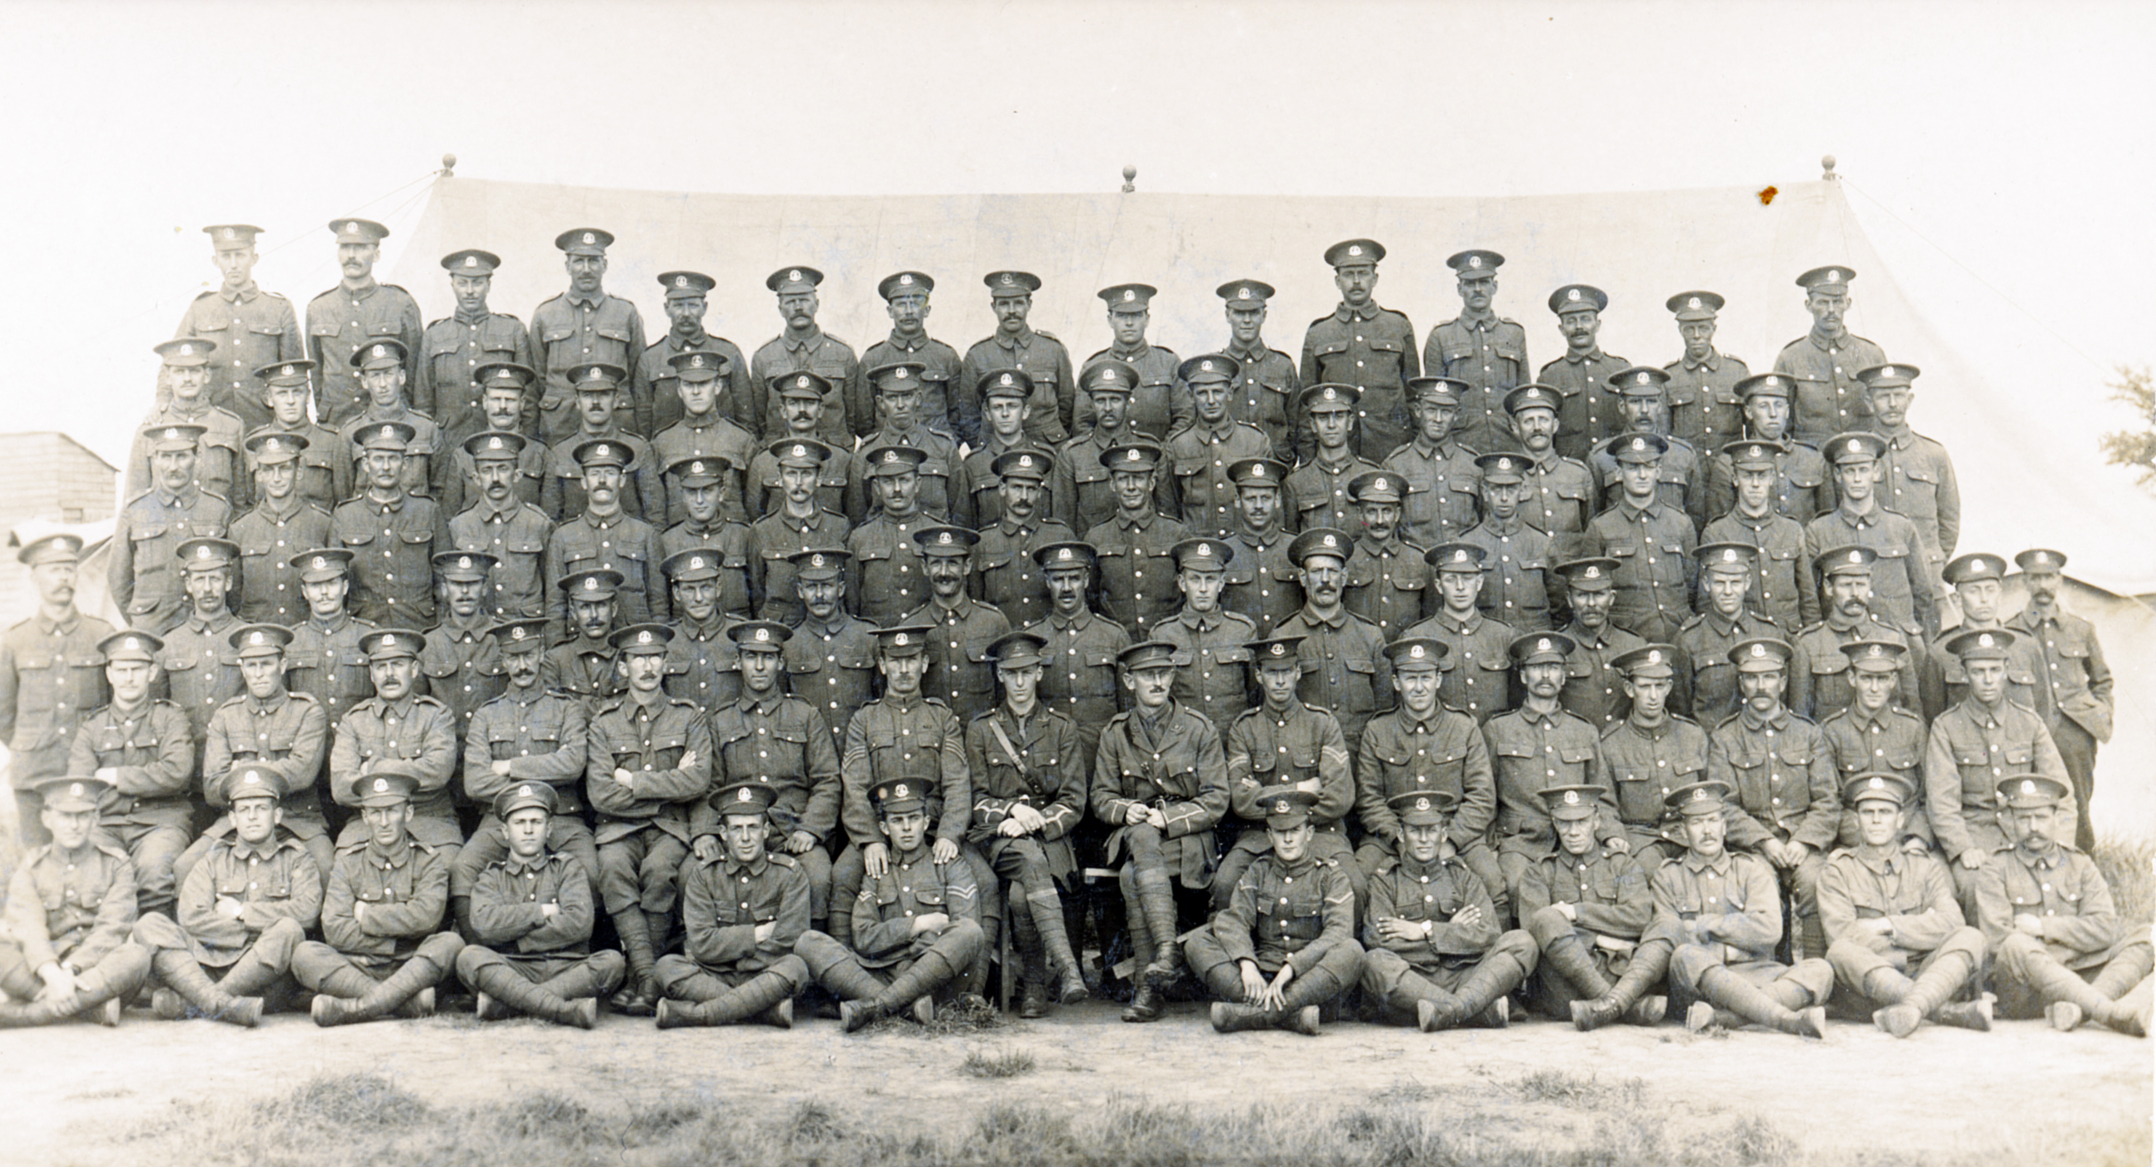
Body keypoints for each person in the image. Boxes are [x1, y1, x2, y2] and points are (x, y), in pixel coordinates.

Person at [829, 625, 992, 991]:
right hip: (882, 830)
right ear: (882, 666)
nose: (904, 670)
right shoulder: (864, 720)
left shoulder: (941, 718)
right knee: (841, 877)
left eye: (911, 661)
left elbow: (956, 781)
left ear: (924, 663)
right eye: (895, 662)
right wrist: (870, 840)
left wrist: (950, 834)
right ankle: (842, 983)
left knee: (984, 879)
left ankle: (975, 990)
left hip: (931, 828)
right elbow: (854, 786)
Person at [1089, 640, 1229, 1022]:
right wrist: (1129, 810)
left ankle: (1146, 991)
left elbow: (1217, 799)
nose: (1157, 682)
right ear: (1129, 681)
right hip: (1136, 836)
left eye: (1163, 673)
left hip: (1186, 843)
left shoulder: (1198, 729)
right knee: (1140, 836)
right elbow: (1101, 797)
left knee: (1134, 874)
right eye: (1147, 675)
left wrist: (1166, 818)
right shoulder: (1116, 733)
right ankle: (1166, 955)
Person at [588, 623, 713, 1014]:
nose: (647, 666)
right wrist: (666, 791)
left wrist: (634, 781)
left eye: (654, 657)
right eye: (637, 659)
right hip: (620, 829)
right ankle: (649, 976)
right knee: (611, 868)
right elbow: (601, 793)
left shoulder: (688, 717)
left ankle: (641, 977)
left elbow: (699, 779)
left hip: (668, 831)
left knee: (660, 871)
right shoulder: (603, 722)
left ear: (665, 662)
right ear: (623, 668)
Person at [965, 630, 1091, 1016]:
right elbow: (974, 800)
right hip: (1000, 838)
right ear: (999, 676)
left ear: (1039, 673)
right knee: (1029, 863)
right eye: (1010, 673)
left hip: (1049, 838)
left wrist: (1034, 822)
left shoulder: (1061, 728)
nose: (1019, 682)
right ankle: (1067, 969)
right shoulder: (981, 729)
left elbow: (1074, 802)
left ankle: (1034, 985)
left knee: (1022, 895)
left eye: (1027, 672)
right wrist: (1010, 812)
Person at [1643, 780, 1831, 1038]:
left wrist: (1704, 926)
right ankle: (1786, 1019)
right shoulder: (1668, 876)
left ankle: (1723, 1018)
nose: (1707, 830)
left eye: (1712, 820)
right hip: (1701, 985)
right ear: (1683, 831)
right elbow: (1672, 939)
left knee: (1821, 970)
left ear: (1724, 825)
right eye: (1696, 823)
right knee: (1685, 955)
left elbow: (1769, 930)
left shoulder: (1750, 868)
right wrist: (1731, 950)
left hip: (1756, 973)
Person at [132, 766, 318, 1026]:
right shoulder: (215, 858)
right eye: (244, 809)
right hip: (206, 963)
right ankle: (223, 1004)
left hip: (260, 973)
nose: (252, 817)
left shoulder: (296, 858)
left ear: (277, 815)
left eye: (261, 808)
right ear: (232, 819)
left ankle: (196, 1001)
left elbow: (306, 913)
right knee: (150, 924)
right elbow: (191, 917)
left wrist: (242, 913)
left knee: (288, 929)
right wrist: (250, 932)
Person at [800, 778, 985, 1031]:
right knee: (808, 942)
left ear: (927, 823)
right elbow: (863, 937)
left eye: (913, 819)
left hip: (933, 978)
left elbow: (964, 928)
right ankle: (908, 1007)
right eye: (897, 821)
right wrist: (917, 924)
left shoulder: (948, 863)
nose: (907, 828)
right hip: (884, 972)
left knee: (970, 931)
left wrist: (908, 947)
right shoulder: (878, 868)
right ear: (884, 828)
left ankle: (877, 1005)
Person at [698, 621, 846, 934]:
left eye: (769, 657)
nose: (760, 666)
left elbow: (827, 780)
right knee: (698, 873)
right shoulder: (720, 721)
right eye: (751, 657)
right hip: (738, 833)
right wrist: (708, 832)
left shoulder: (805, 715)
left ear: (781, 662)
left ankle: (815, 958)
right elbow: (709, 786)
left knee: (818, 875)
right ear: (738, 662)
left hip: (791, 830)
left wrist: (811, 829)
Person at [1818, 773, 1992, 1038]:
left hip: (1927, 971)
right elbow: (1843, 934)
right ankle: (1942, 1010)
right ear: (1856, 820)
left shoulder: (1924, 866)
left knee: (1971, 936)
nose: (1876, 820)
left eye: (1885, 812)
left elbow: (1952, 922)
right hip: (1873, 985)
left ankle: (1910, 1007)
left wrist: (1888, 925)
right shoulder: (1838, 870)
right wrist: (1920, 934)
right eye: (1868, 812)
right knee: (1841, 951)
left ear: (1900, 820)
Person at [1975, 774, 2150, 1037]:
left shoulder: (2079, 864)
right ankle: (2107, 1012)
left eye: (2041, 817)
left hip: (2077, 977)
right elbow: (1998, 940)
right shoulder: (1995, 867)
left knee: (2145, 936)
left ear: (2056, 819)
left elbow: (2105, 928)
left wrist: (2044, 928)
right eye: (2024, 818)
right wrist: (2071, 946)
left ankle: (2077, 1009)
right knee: (2016, 944)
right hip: (2025, 994)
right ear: (2011, 822)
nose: (2033, 826)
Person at [292, 771, 464, 1025]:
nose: (384, 821)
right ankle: (404, 1003)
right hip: (360, 965)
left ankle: (357, 1008)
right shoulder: (348, 863)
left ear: (408, 813)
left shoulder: (429, 861)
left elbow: (426, 919)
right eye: (375, 812)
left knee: (450, 943)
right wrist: (396, 940)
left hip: (411, 964)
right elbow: (334, 929)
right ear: (364, 817)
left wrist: (366, 916)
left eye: (392, 811)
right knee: (304, 954)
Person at [1188, 788, 1364, 1035]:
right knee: (1197, 942)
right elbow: (1234, 920)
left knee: (1352, 951)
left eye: (1295, 831)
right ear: (1270, 836)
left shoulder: (1329, 875)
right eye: (1281, 832)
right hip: (1261, 977)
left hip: (1310, 981)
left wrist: (1292, 969)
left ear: (1309, 833)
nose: (1288, 839)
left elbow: (1338, 933)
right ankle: (1291, 1016)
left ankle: (1253, 1014)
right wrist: (1247, 964)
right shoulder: (1258, 870)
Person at [1359, 788, 1535, 1031]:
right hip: (1414, 980)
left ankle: (1444, 1011)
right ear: (1401, 834)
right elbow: (1378, 940)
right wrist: (1455, 935)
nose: (1423, 839)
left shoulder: (1462, 876)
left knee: (1522, 941)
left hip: (1466, 976)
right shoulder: (1385, 880)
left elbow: (1489, 934)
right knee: (1373, 961)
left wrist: (1426, 931)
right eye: (1415, 830)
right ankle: (1474, 1010)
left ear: (1443, 834)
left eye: (1431, 830)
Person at [1708, 638, 1838, 962]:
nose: (1761, 686)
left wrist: (1805, 842)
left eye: (1769, 677)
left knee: (1813, 881)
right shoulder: (1724, 737)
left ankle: (1814, 969)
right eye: (1752, 678)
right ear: (1741, 683)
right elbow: (1724, 805)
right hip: (1754, 847)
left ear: (1782, 682)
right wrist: (1764, 842)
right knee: (1758, 885)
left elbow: (1827, 799)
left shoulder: (1808, 733)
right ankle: (1764, 971)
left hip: (1801, 843)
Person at [453, 782, 624, 1029]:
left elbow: (579, 924)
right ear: (504, 831)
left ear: (549, 829)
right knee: (469, 957)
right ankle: (563, 1009)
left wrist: (516, 937)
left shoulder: (567, 867)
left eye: (536, 822)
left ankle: (508, 1004)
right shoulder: (491, 876)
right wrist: (542, 911)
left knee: (612, 962)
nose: (529, 830)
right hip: (514, 967)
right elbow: (484, 925)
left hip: (567, 965)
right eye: (519, 823)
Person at [456, 617, 597, 910]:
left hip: (562, 819)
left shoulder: (566, 708)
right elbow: (475, 782)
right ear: (503, 661)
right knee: (462, 871)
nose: (522, 665)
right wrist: (546, 772)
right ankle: (480, 947)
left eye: (529, 655)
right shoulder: (486, 715)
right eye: (513, 657)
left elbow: (573, 763)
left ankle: (581, 949)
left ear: (542, 654)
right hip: (499, 822)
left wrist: (510, 767)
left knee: (590, 873)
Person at [1925, 628, 2070, 906]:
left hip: (2028, 830)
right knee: (1975, 885)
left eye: (1994, 669)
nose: (1988, 680)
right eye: (1979, 671)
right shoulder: (1946, 728)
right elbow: (1942, 803)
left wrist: (2059, 841)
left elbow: (2063, 792)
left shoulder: (2029, 722)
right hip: (1976, 834)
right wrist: (1963, 847)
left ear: (2006, 670)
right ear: (1965, 675)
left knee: (2058, 881)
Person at [652, 783, 813, 1029]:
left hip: (765, 973)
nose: (746, 838)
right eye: (737, 829)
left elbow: (789, 940)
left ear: (766, 830)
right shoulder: (704, 874)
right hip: (718, 976)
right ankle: (764, 1010)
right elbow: (701, 944)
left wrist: (735, 956)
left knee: (796, 967)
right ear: (723, 833)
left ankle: (697, 1015)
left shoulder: (789, 873)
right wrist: (758, 934)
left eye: (753, 828)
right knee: (666, 967)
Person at [1214, 636, 1356, 911]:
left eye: (1286, 671)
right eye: (1271, 672)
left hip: (1319, 833)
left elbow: (1339, 797)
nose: (1280, 681)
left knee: (1356, 885)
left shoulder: (1323, 723)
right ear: (1259, 676)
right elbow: (1241, 800)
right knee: (1225, 884)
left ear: (1298, 673)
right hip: (1260, 835)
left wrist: (1269, 799)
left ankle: (1347, 951)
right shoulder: (1244, 728)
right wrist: (1304, 790)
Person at [1483, 631, 1620, 915]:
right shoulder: (1498, 729)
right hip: (1521, 843)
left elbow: (1602, 795)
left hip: (1574, 837)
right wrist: (1490, 847)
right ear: (1522, 676)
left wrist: (1611, 835)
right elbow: (1485, 797)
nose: (1545, 675)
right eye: (1536, 667)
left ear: (1563, 676)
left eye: (1554, 667)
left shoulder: (1583, 731)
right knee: (1516, 886)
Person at [1353, 637, 1502, 894]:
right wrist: (1401, 841)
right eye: (1411, 678)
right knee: (1359, 881)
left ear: (1438, 680)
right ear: (1396, 683)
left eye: (1426, 677)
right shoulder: (1377, 730)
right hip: (1393, 836)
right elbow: (1369, 800)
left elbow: (1482, 797)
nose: (1419, 687)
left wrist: (1451, 841)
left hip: (1455, 832)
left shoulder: (1464, 727)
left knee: (1492, 880)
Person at [0, 776, 151, 1027]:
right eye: (65, 816)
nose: (74, 825)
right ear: (47, 819)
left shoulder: (116, 863)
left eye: (82, 816)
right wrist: (52, 973)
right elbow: (29, 926)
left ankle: (30, 1013)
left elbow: (112, 928)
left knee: (137, 955)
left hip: (95, 968)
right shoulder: (32, 866)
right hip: (45, 968)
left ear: (96, 819)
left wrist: (71, 971)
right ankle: (92, 1007)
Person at [190, 623, 332, 886]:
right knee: (185, 867)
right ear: (241, 669)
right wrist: (277, 768)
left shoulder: (307, 711)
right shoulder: (226, 715)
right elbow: (211, 788)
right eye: (251, 666)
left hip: (297, 819)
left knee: (326, 869)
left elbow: (302, 774)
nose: (258, 674)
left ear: (282, 665)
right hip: (237, 823)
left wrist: (238, 771)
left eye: (266, 664)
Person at [68, 629, 193, 918]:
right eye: (121, 670)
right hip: (107, 823)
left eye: (136, 669)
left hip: (160, 822)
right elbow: (82, 786)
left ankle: (156, 947)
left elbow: (176, 773)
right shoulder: (93, 726)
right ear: (109, 674)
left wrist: (115, 776)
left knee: (154, 875)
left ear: (151, 672)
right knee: (95, 877)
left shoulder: (169, 717)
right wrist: (148, 777)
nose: (128, 678)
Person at [1517, 784, 1662, 1029]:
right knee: (1546, 918)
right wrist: (1604, 941)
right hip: (1565, 986)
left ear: (1596, 821)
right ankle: (1623, 1006)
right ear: (1554, 822)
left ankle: (1609, 1005)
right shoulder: (1539, 872)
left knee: (1665, 923)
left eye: (1581, 821)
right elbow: (1536, 931)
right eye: (1564, 823)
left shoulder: (1622, 866)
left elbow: (1639, 917)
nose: (1573, 831)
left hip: (1619, 973)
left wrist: (1576, 913)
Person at [3, 532, 115, 845]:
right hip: (36, 776)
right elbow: (4, 714)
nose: (64, 577)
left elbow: (111, 706)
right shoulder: (14, 641)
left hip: (89, 774)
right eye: (54, 569)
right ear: (34, 577)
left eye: (69, 568)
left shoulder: (100, 635)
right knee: (39, 865)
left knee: (94, 864)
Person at [2008, 548, 2113, 853]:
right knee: (2032, 801)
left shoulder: (2081, 629)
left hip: (2074, 731)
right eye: (2035, 578)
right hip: (2031, 730)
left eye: (2049, 577)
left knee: (2078, 801)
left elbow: (2102, 680)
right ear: (2024, 582)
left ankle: (2082, 866)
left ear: (2061, 581)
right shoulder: (2011, 631)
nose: (2043, 585)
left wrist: (2100, 716)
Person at [329, 628, 462, 863]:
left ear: (414, 669)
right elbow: (341, 788)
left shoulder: (436, 716)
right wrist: (408, 773)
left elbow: (437, 772)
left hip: (429, 821)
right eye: (381, 666)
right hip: (368, 824)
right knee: (341, 865)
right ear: (371, 674)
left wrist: (373, 768)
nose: (389, 673)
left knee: (451, 869)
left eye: (398, 664)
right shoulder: (353, 720)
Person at [175, 223, 303, 432]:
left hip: (264, 425)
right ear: (216, 261)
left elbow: (294, 373)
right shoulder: (201, 308)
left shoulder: (278, 308)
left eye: (240, 255)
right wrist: (162, 400)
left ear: (254, 258)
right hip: (212, 428)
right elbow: (174, 360)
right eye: (226, 256)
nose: (233, 264)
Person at [1273, 528, 1392, 751]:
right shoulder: (1283, 636)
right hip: (1304, 754)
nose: (1325, 580)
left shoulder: (1370, 636)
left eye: (1332, 571)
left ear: (1344, 577)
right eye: (1317, 571)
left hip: (1360, 755)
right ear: (1302, 577)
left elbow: (1385, 711)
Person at [1301, 239, 1418, 461]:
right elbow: (1306, 405)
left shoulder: (1398, 326)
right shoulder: (1319, 333)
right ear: (1337, 281)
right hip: (1338, 454)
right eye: (1348, 274)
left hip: (1391, 450)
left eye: (1363, 273)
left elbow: (1413, 397)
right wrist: (1308, 461)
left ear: (1375, 278)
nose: (1356, 281)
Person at [1574, 433, 1696, 643]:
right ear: (1619, 473)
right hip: (1627, 641)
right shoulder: (1600, 527)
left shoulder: (1681, 524)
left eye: (1648, 467)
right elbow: (1592, 588)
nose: (1642, 475)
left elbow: (1692, 586)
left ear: (1658, 471)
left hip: (1678, 636)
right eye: (1632, 467)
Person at [530, 228, 647, 445]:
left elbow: (638, 378)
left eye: (593, 261)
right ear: (567, 266)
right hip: (558, 425)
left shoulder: (625, 313)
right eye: (578, 261)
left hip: (615, 424)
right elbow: (536, 380)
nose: (586, 269)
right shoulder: (545, 314)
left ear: (605, 265)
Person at [113, 423, 231, 634]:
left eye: (181, 456)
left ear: (197, 458)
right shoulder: (135, 510)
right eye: (166, 457)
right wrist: (142, 619)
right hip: (152, 630)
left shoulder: (217, 508)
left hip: (204, 630)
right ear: (155, 459)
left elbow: (233, 578)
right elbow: (119, 580)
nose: (173, 466)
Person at [1594, 643, 1708, 862]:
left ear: (1669, 687)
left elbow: (1708, 792)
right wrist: (1612, 836)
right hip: (1640, 841)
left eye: (1659, 685)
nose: (1653, 696)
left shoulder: (1692, 735)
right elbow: (1604, 804)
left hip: (1688, 836)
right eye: (1645, 687)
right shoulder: (1611, 743)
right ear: (1629, 689)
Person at [415, 249, 535, 456]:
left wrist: (526, 448)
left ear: (489, 285)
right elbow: (423, 401)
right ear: (452, 284)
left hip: (503, 443)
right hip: (448, 445)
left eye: (477, 283)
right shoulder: (435, 334)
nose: (470, 291)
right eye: (463, 283)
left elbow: (529, 397)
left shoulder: (512, 330)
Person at [306, 218, 422, 429]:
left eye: (360, 248)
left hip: (388, 422)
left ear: (376, 254)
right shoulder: (319, 307)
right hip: (336, 423)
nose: (351, 255)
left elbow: (414, 370)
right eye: (345, 247)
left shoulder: (399, 303)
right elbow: (317, 373)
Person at [1817, 640, 1932, 852]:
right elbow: (1831, 801)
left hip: (1908, 840)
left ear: (1893, 680)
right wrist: (1865, 840)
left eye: (1882, 678)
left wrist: (1917, 838)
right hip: (1855, 843)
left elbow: (1929, 795)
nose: (1874, 688)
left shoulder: (1912, 727)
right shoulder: (1832, 731)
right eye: (1866, 678)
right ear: (1852, 678)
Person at [1024, 542, 1130, 768]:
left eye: (1073, 578)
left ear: (1086, 580)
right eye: (1057, 579)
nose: (1066, 588)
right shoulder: (1033, 638)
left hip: (1104, 758)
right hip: (1050, 758)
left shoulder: (1113, 635)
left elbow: (1128, 710)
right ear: (1046, 582)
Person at [332, 421, 447, 628]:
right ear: (366, 465)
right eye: (378, 459)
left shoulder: (427, 510)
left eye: (393, 459)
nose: (386, 467)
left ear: (404, 465)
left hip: (419, 625)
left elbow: (444, 578)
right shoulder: (345, 515)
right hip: (365, 625)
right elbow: (337, 580)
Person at [544, 438, 664, 635]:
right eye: (594, 474)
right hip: (580, 646)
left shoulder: (645, 534)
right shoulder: (563, 537)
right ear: (583, 482)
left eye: (609, 473)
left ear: (622, 480)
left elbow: (658, 604)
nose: (602, 481)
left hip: (633, 644)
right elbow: (555, 606)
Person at [1790, 546, 1919, 722]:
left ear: (1869, 586)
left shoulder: (1892, 638)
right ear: (1828, 588)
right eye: (1845, 585)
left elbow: (1913, 710)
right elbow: (1800, 717)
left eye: (1861, 585)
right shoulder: (1809, 643)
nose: (1855, 593)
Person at [1860, 363, 1959, 587]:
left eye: (1898, 395)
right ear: (1869, 402)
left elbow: (1949, 518)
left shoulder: (1934, 453)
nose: (1892, 404)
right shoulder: (1859, 455)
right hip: (1875, 574)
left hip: (1927, 573)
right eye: (1884, 396)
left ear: (1910, 400)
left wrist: (1931, 559)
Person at [1700, 437, 1812, 632]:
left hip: (1788, 635)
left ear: (1772, 479)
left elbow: (1808, 599)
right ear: (1735, 479)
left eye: (1761, 475)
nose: (1755, 484)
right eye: (1747, 475)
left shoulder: (1792, 530)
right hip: (1741, 640)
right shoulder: (1717, 532)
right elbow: (1705, 603)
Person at [1921, 552, 2048, 721]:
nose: (1984, 599)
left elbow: (2044, 712)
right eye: (1974, 591)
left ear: (2000, 594)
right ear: (1958, 598)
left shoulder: (2025, 645)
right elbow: (1933, 717)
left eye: (1990, 590)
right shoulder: (1941, 652)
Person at [1424, 249, 1527, 456]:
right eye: (1470, 284)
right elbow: (1433, 400)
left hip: (1507, 442)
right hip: (1460, 444)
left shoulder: (1514, 333)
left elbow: (1523, 396)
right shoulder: (1441, 336)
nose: (1477, 289)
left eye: (1484, 282)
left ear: (1494, 286)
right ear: (1459, 288)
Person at [1084, 442, 1191, 639]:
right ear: (1112, 484)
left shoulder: (1176, 534)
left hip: (1167, 643)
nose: (1131, 487)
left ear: (1151, 483)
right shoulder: (1096, 538)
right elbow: (1091, 597)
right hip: (1118, 644)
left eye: (1138, 479)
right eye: (1123, 479)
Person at [959, 271, 1075, 450]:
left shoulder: (1053, 350)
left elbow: (1067, 407)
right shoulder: (978, 355)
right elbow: (968, 414)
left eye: (1018, 303)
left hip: (1049, 452)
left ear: (1029, 304)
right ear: (993, 307)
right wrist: (986, 452)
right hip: (996, 458)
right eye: (1004, 304)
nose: (1012, 311)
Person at [1155, 538, 1258, 739]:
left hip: (1234, 741)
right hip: (1183, 742)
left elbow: (1255, 693)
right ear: (1182, 583)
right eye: (1195, 579)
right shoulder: (1163, 635)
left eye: (1210, 579)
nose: (1203, 588)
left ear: (1221, 584)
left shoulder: (1243, 631)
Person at [1772, 265, 1886, 446]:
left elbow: (1885, 418)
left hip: (1861, 463)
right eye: (1823, 302)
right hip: (1813, 464)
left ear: (1848, 304)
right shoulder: (1790, 358)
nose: (1831, 309)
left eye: (1837, 301)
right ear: (1809, 306)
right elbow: (1782, 425)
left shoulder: (1871, 355)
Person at [1401, 543, 1515, 724]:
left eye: (1467, 578)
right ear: (1438, 585)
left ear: (1479, 582)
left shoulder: (1503, 636)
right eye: (1451, 579)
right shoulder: (1418, 637)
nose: (1460, 587)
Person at [1676, 543, 1785, 726]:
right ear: (1706, 584)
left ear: (1747, 583)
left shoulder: (1769, 633)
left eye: (1735, 583)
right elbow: (1681, 711)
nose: (1728, 591)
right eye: (1719, 582)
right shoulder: (1689, 639)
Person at [781, 549, 876, 758]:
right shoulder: (789, 643)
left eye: (827, 586)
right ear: (799, 591)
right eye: (811, 587)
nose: (819, 596)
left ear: (840, 588)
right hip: (812, 757)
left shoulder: (867, 636)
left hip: (862, 752)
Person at [130, 339, 247, 509]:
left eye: (194, 371)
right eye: (179, 371)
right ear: (167, 378)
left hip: (217, 531)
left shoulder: (231, 426)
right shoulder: (150, 429)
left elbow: (242, 501)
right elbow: (135, 501)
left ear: (206, 375)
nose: (187, 379)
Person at [1053, 360, 1168, 533]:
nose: (1107, 408)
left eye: (1115, 400)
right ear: (1092, 405)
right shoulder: (1073, 454)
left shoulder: (1150, 449)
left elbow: (1166, 512)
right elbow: (1064, 522)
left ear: (1128, 403)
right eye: (1100, 400)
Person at [450, 430, 553, 622]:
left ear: (517, 475)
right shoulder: (460, 525)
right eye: (487, 470)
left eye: (503, 468)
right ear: (477, 478)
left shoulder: (538, 524)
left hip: (527, 631)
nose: (495, 478)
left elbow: (552, 590)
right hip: (479, 632)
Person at [749, 265, 860, 444]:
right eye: (790, 302)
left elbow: (853, 418)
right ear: (780, 309)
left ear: (817, 304)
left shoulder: (842, 353)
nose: (798, 307)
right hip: (781, 456)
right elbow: (759, 419)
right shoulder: (764, 357)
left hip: (833, 454)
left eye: (804, 299)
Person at [230, 432, 331, 625]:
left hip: (305, 634)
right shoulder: (240, 529)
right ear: (258, 474)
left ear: (298, 471)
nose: (277, 478)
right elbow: (234, 596)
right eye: (268, 470)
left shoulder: (321, 523)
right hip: (259, 637)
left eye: (284, 469)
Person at [1706, 373, 1834, 525]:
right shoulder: (1729, 463)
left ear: (1787, 411)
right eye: (1763, 406)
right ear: (1748, 412)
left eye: (1778, 405)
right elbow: (1721, 527)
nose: (1773, 414)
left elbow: (1827, 522)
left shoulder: (1812, 458)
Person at [748, 438, 850, 624]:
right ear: (779, 478)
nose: (798, 482)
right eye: (791, 473)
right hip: (781, 628)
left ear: (819, 479)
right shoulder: (762, 530)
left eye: (807, 474)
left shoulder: (838, 526)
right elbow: (757, 593)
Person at [1167, 355, 1271, 538]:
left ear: (1229, 393)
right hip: (1198, 551)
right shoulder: (1178, 445)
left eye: (1217, 391)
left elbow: (1273, 507)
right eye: (1202, 393)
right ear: (1191, 396)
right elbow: (1169, 510)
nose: (1211, 400)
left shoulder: (1255, 441)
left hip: (1245, 548)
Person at [970, 449, 1074, 630]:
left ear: (1040, 492)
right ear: (1002, 489)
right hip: (1002, 642)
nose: (1024, 497)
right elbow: (976, 604)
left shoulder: (1059, 537)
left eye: (1031, 489)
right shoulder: (983, 542)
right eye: (1017, 487)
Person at [1589, 370, 1705, 532]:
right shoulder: (1602, 457)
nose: (1644, 410)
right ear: (1622, 406)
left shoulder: (1683, 455)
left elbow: (1696, 519)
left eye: (1651, 401)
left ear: (1659, 406)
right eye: (1636, 402)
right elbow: (1594, 519)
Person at [640, 270, 751, 440]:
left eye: (692, 305)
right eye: (678, 305)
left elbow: (746, 418)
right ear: (666, 309)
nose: (685, 313)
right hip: (669, 454)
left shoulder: (728, 353)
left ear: (704, 308)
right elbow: (643, 422)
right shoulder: (650, 359)